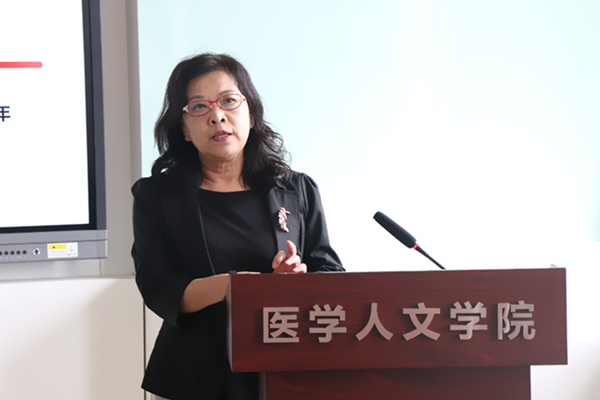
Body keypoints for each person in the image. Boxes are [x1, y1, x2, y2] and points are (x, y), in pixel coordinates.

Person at [131, 53, 344, 400]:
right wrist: (232, 287)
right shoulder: (157, 195)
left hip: (282, 370)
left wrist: (298, 280)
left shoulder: (296, 189)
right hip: (192, 376)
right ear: (184, 129)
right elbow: (157, 287)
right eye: (199, 107)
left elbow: (331, 275)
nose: (217, 116)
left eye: (229, 101)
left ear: (251, 113)